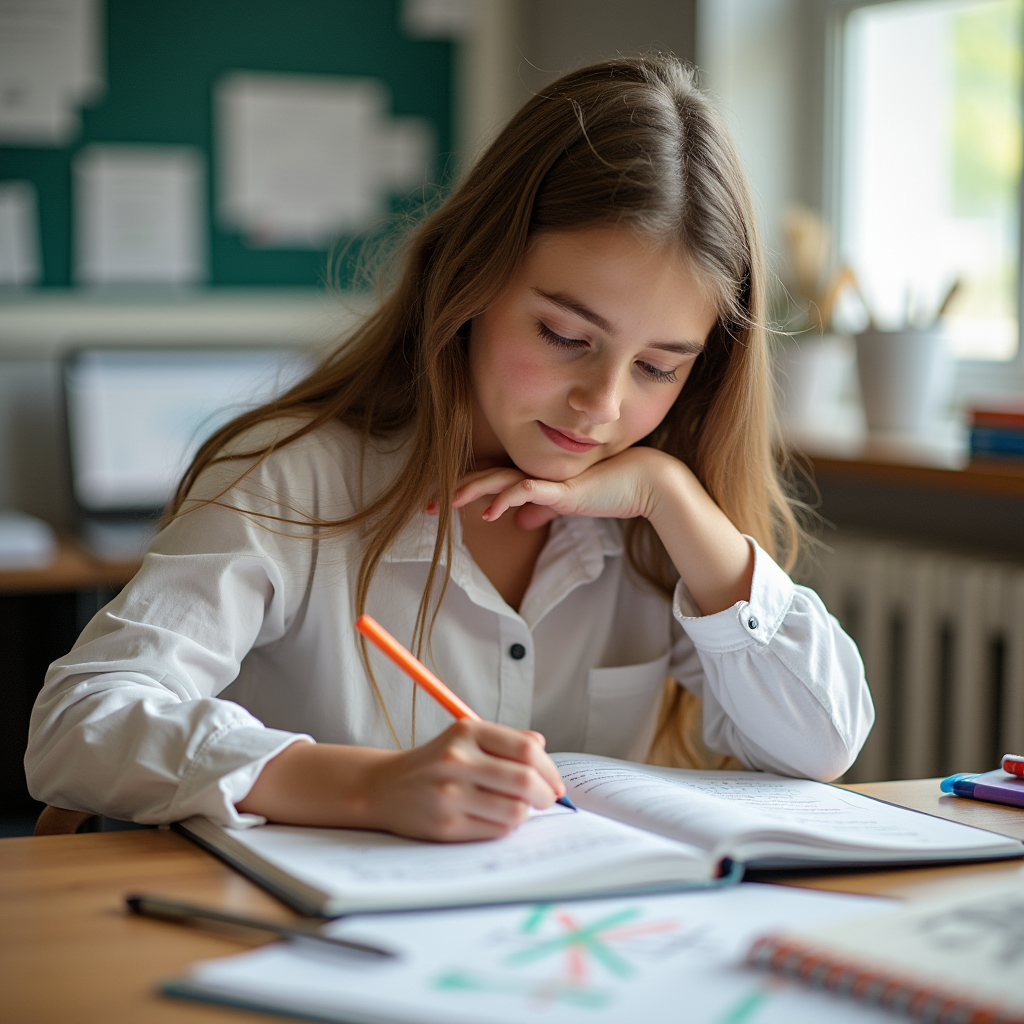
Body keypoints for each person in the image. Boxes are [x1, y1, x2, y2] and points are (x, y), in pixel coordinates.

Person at [26, 56, 873, 842]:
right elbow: (78, 722)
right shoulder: (292, 481)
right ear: (469, 279)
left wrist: (673, 498)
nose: (603, 405)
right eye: (564, 334)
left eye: (658, 367)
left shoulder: (652, 526)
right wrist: (357, 786)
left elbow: (822, 742)